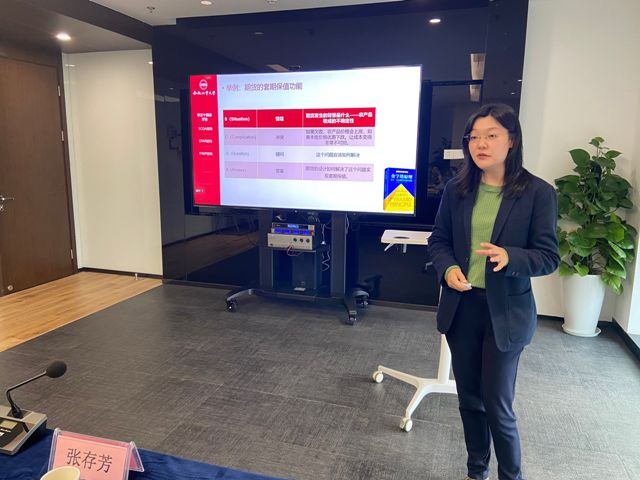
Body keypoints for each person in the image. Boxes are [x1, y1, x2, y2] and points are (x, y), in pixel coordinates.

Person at [427, 103, 559, 480]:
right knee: (470, 399)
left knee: (497, 404)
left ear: (511, 140)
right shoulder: (457, 190)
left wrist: (510, 256)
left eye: (491, 136)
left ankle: (510, 476)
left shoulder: (538, 193)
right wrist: (448, 268)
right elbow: (439, 241)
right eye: (474, 137)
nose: (480, 144)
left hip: (506, 313)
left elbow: (548, 257)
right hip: (462, 307)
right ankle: (476, 470)